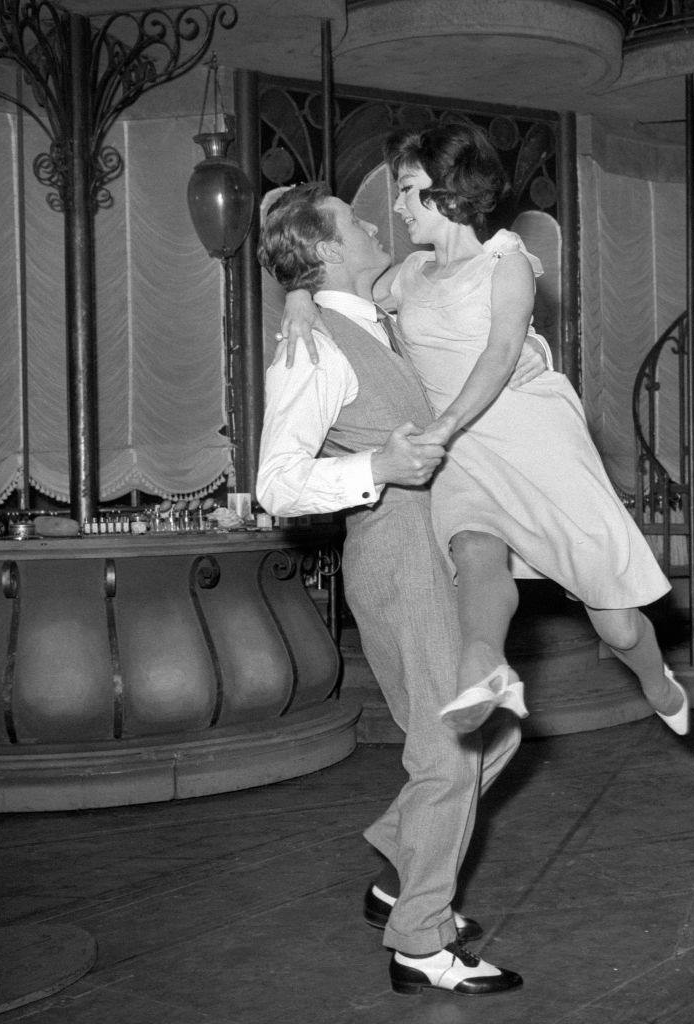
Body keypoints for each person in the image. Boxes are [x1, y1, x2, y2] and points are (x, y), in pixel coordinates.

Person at [281, 122, 689, 738]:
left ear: (447, 191)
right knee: (474, 549)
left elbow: (500, 355)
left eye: (408, 188)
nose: (396, 206)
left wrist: (440, 429)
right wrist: (296, 298)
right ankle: (485, 668)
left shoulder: (507, 261)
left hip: (531, 434)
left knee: (618, 623)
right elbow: (344, 287)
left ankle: (658, 682)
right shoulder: (410, 274)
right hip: (461, 447)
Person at [256, 182, 527, 996]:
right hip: (395, 546)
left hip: (437, 541)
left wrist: (298, 289)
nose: (375, 221)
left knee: (497, 731)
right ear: (330, 245)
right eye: (353, 218)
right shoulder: (314, 347)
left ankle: (400, 867)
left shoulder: (369, 312)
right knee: (451, 744)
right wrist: (375, 467)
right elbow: (277, 483)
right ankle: (420, 938)